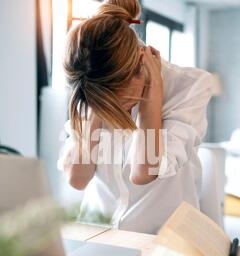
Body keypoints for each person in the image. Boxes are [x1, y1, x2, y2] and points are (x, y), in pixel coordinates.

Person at [58, 0, 213, 234]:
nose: (114, 110)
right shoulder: (90, 80)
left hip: (163, 241)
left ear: (140, 64)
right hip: (95, 234)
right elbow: (77, 179)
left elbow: (143, 172)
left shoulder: (189, 87)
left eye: (116, 101)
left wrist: (153, 92)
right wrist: (95, 109)